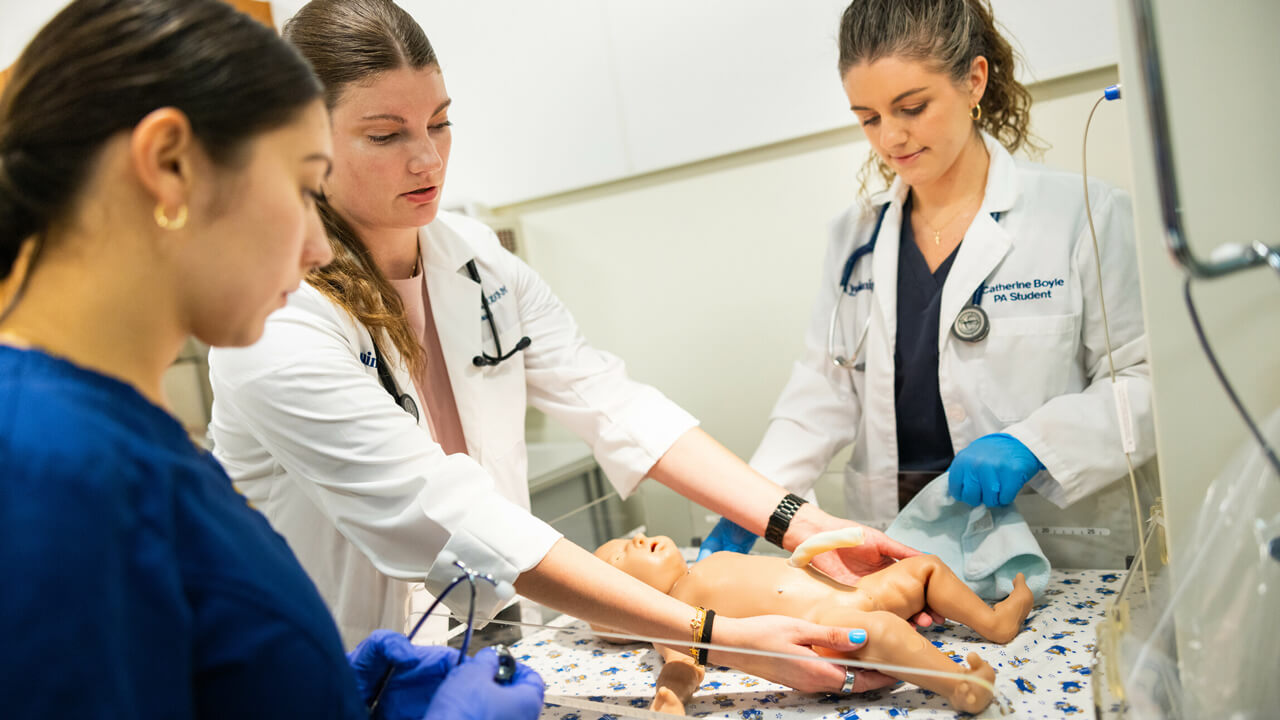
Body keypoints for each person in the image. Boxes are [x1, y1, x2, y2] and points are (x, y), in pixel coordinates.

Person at [206, 0, 906, 696]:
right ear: (304, 144)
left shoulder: (475, 262)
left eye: (440, 122)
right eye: (385, 135)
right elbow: (445, 513)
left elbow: (612, 403)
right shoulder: (276, 320)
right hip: (338, 670)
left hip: (495, 645)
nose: (428, 157)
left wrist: (805, 526)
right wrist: (709, 631)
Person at [0, 0, 540, 717]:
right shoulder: (42, 463)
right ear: (168, 165)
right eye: (302, 185)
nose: (318, 247)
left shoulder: (120, 433)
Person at [702, 0, 1155, 563]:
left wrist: (1034, 445)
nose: (890, 137)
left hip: (1054, 544)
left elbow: (1142, 380)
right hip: (896, 538)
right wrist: (756, 497)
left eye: (911, 107)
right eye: (868, 117)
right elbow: (821, 392)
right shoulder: (854, 238)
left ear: (973, 80)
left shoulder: (1084, 213)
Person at [596, 533, 1034, 714]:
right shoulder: (672, 619)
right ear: (628, 607)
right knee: (879, 631)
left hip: (848, 592)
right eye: (620, 556)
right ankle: (961, 687)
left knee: (926, 568)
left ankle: (994, 622)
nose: (634, 540)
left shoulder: (706, 564)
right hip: (823, 625)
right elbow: (683, 664)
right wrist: (671, 697)